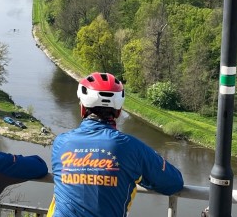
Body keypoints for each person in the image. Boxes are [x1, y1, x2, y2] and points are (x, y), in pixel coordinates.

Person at [48, 72, 184, 217]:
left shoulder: (61, 143)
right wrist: (138, 175)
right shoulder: (131, 147)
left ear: (82, 108)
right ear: (118, 111)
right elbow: (174, 182)